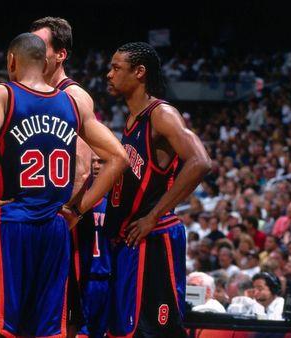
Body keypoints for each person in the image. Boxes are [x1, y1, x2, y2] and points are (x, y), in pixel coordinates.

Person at [0, 33, 127, 337]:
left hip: (13, 221)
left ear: (12, 61)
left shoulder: (1, 93)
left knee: (0, 326)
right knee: (48, 328)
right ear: (46, 61)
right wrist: (77, 209)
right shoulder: (72, 102)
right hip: (55, 226)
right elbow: (118, 157)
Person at [104, 42, 211, 337]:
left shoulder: (161, 113)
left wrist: (153, 216)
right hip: (132, 239)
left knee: (155, 330)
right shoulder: (132, 119)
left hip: (154, 236)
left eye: (116, 68)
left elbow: (201, 162)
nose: (108, 74)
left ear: (139, 72)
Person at [30, 17, 94, 334]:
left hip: (59, 225)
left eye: (40, 47)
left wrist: (67, 213)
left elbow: (83, 169)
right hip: (37, 222)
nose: (33, 53)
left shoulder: (73, 96)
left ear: (61, 55)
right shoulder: (35, 94)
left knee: (60, 317)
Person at [76, 153, 111, 337]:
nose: (97, 166)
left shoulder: (114, 203)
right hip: (83, 278)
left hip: (107, 279)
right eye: (93, 161)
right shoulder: (77, 201)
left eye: (101, 161)